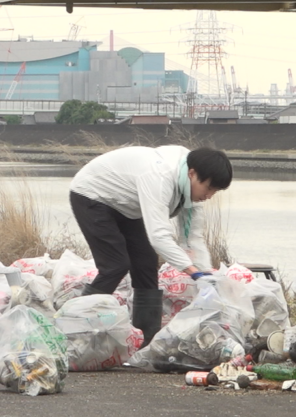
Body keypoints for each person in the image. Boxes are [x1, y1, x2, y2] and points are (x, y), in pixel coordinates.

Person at [68, 145, 233, 346]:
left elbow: (192, 239)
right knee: (115, 265)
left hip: (126, 205)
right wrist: (191, 271)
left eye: (215, 191)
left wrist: (206, 273)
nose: (209, 195)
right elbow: (159, 237)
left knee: (146, 262)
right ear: (192, 174)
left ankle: (146, 342)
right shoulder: (160, 176)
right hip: (91, 194)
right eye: (209, 188)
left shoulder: (191, 190)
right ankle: (72, 327)